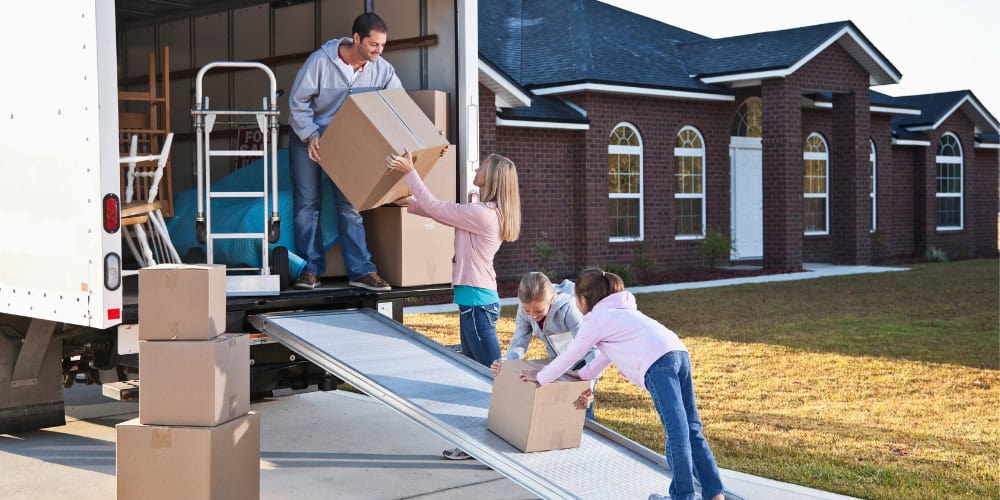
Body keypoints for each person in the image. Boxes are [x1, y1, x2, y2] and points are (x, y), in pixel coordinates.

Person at [520, 268, 726, 500]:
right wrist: (585, 374)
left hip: (658, 363)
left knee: (677, 433)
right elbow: (608, 354)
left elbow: (570, 354)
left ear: (582, 299)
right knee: (691, 427)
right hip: (678, 352)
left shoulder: (596, 319)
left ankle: (683, 497)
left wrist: (541, 377)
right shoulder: (622, 312)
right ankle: (714, 493)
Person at [386, 151, 521, 461]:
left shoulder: (483, 213)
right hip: (474, 303)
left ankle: (500, 446)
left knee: (492, 379)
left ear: (494, 177)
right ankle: (477, 444)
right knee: (475, 377)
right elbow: (436, 211)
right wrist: (403, 202)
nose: (477, 168)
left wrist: (410, 172)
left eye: (482, 166)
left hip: (477, 304)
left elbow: (437, 207)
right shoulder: (484, 211)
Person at [287, 12, 400, 291]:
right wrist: (310, 135)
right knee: (307, 205)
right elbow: (297, 101)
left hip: (348, 143)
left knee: (350, 206)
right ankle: (309, 269)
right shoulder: (320, 62)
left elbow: (397, 106)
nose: (379, 51)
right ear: (357, 39)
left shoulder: (382, 70)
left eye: (383, 45)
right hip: (308, 137)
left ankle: (361, 271)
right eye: (374, 45)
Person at [490, 272, 600, 420]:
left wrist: (590, 386)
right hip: (556, 364)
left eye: (539, 311)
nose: (533, 316)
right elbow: (519, 342)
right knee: (558, 413)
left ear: (552, 299)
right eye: (527, 311)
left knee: (581, 413)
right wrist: (508, 361)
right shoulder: (525, 311)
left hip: (582, 364)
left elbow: (591, 349)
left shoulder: (568, 309)